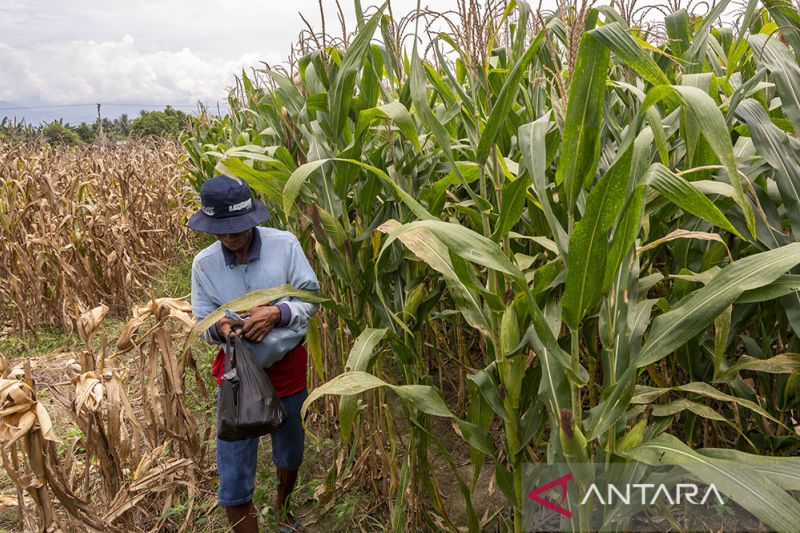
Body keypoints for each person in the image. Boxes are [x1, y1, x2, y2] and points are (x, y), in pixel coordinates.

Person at [188, 175, 320, 532]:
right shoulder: (204, 264)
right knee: (232, 476)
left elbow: (309, 298)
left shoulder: (286, 246)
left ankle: (283, 504)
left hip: (286, 366)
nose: (230, 237)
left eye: (238, 228)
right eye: (222, 230)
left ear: (253, 219)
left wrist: (277, 313)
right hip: (236, 375)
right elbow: (203, 321)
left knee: (290, 450)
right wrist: (222, 329)